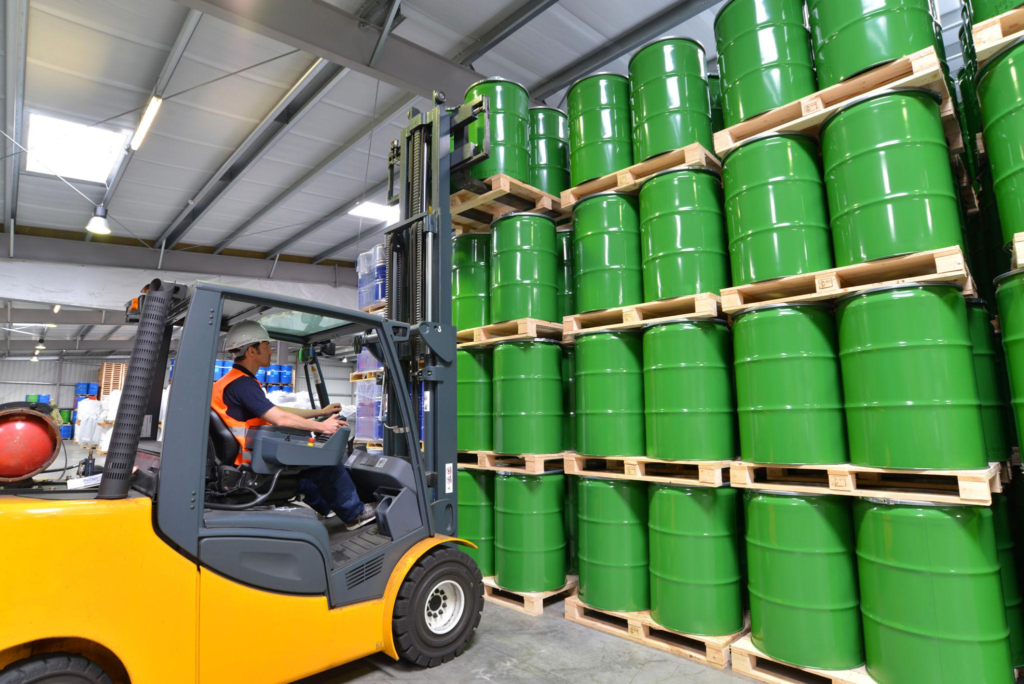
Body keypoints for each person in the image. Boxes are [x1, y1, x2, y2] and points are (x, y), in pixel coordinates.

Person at [211, 321, 377, 530]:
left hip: (246, 460)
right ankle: (355, 514)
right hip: (252, 465)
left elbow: (277, 410)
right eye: (266, 345)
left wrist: (321, 412)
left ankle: (329, 508)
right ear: (252, 351)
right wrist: (322, 427)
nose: (271, 350)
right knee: (327, 462)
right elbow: (280, 419)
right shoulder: (243, 384)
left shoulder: (231, 381)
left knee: (306, 477)